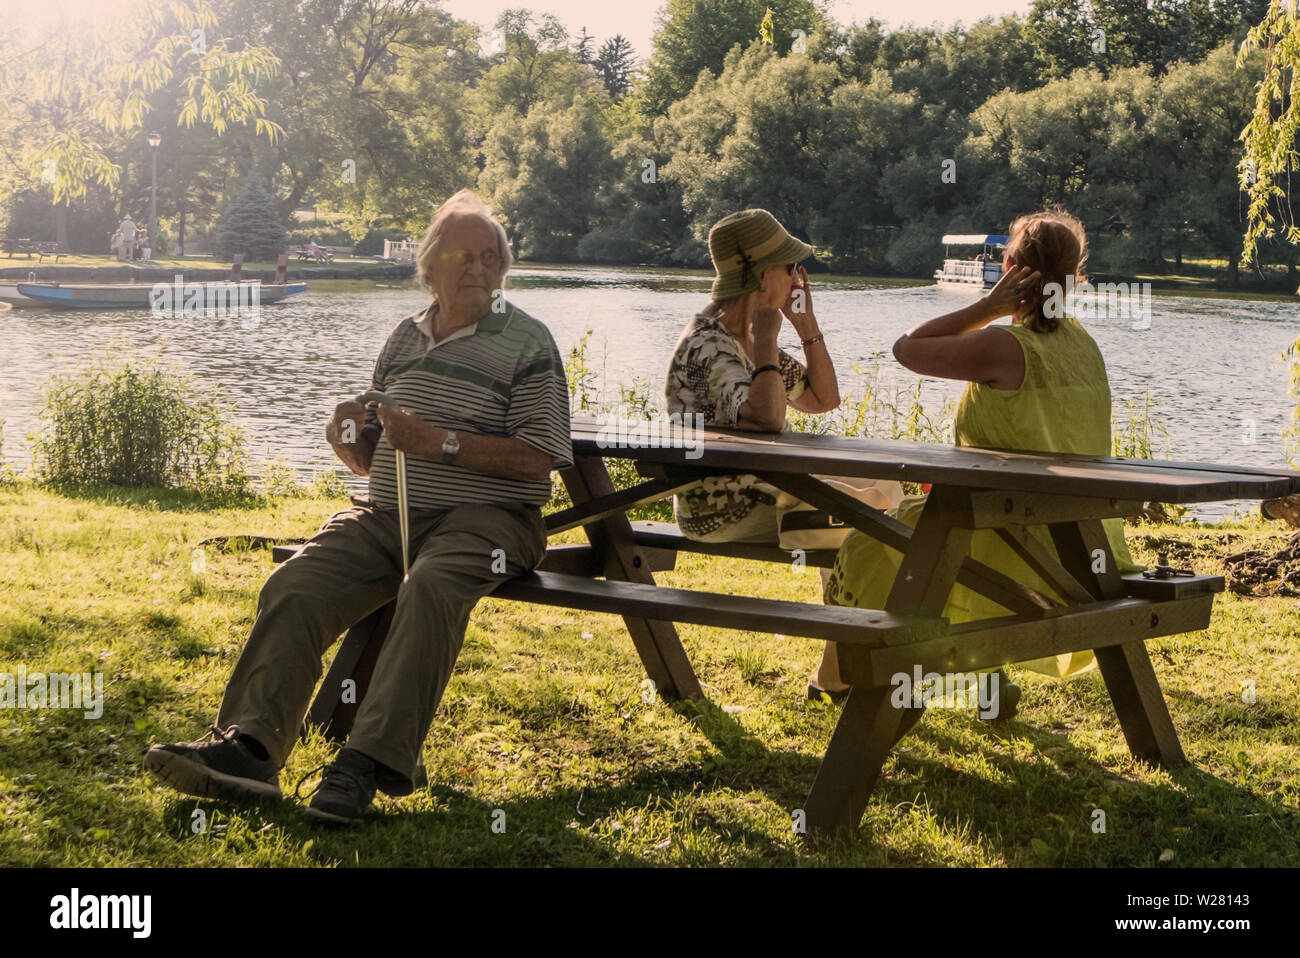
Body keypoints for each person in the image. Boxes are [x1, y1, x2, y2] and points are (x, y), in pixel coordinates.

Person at [144, 189, 573, 823]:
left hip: (492, 522)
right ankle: (250, 750)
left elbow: (541, 455)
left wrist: (439, 442)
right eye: (463, 256)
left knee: (429, 585)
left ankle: (364, 763)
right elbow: (374, 457)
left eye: (490, 257)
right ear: (429, 266)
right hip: (387, 517)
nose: (479, 269)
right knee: (296, 582)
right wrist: (349, 435)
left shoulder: (528, 340)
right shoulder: (405, 337)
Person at [823, 210, 1143, 712]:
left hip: (1005, 541)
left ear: (1010, 267)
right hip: (1077, 548)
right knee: (939, 534)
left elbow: (907, 348)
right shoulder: (1084, 344)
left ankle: (853, 684)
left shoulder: (1004, 345)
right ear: (1076, 276)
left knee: (872, 543)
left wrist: (987, 307)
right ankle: (986, 685)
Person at [663, 208, 901, 701]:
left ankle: (839, 673)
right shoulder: (711, 344)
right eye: (788, 267)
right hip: (720, 509)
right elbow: (767, 417)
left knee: (888, 499)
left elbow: (821, 399)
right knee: (870, 524)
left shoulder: (746, 337)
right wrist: (769, 340)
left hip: (768, 495)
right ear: (757, 274)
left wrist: (804, 323)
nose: (796, 276)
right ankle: (847, 674)